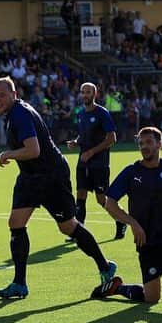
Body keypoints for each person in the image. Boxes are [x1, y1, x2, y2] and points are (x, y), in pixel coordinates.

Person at [0, 77, 117, 300]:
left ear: (14, 94)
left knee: (68, 226)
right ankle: (19, 284)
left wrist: (8, 154)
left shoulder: (20, 114)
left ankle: (105, 266)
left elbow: (34, 150)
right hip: (30, 176)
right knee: (16, 223)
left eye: (2, 95)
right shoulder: (13, 114)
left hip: (51, 176)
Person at [94, 127, 162, 306]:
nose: (144, 147)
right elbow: (110, 203)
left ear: (160, 144)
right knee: (152, 298)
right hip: (147, 240)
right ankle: (117, 288)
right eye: (141, 143)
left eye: (149, 143)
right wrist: (132, 223)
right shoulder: (131, 172)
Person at [66, 82, 122, 240]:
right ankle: (78, 233)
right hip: (83, 162)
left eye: (88, 92)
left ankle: (120, 221)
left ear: (95, 94)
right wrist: (76, 142)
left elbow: (112, 138)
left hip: (99, 163)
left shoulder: (102, 113)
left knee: (101, 199)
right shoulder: (80, 113)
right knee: (80, 195)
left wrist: (91, 152)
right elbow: (83, 136)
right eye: (82, 92)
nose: (84, 95)